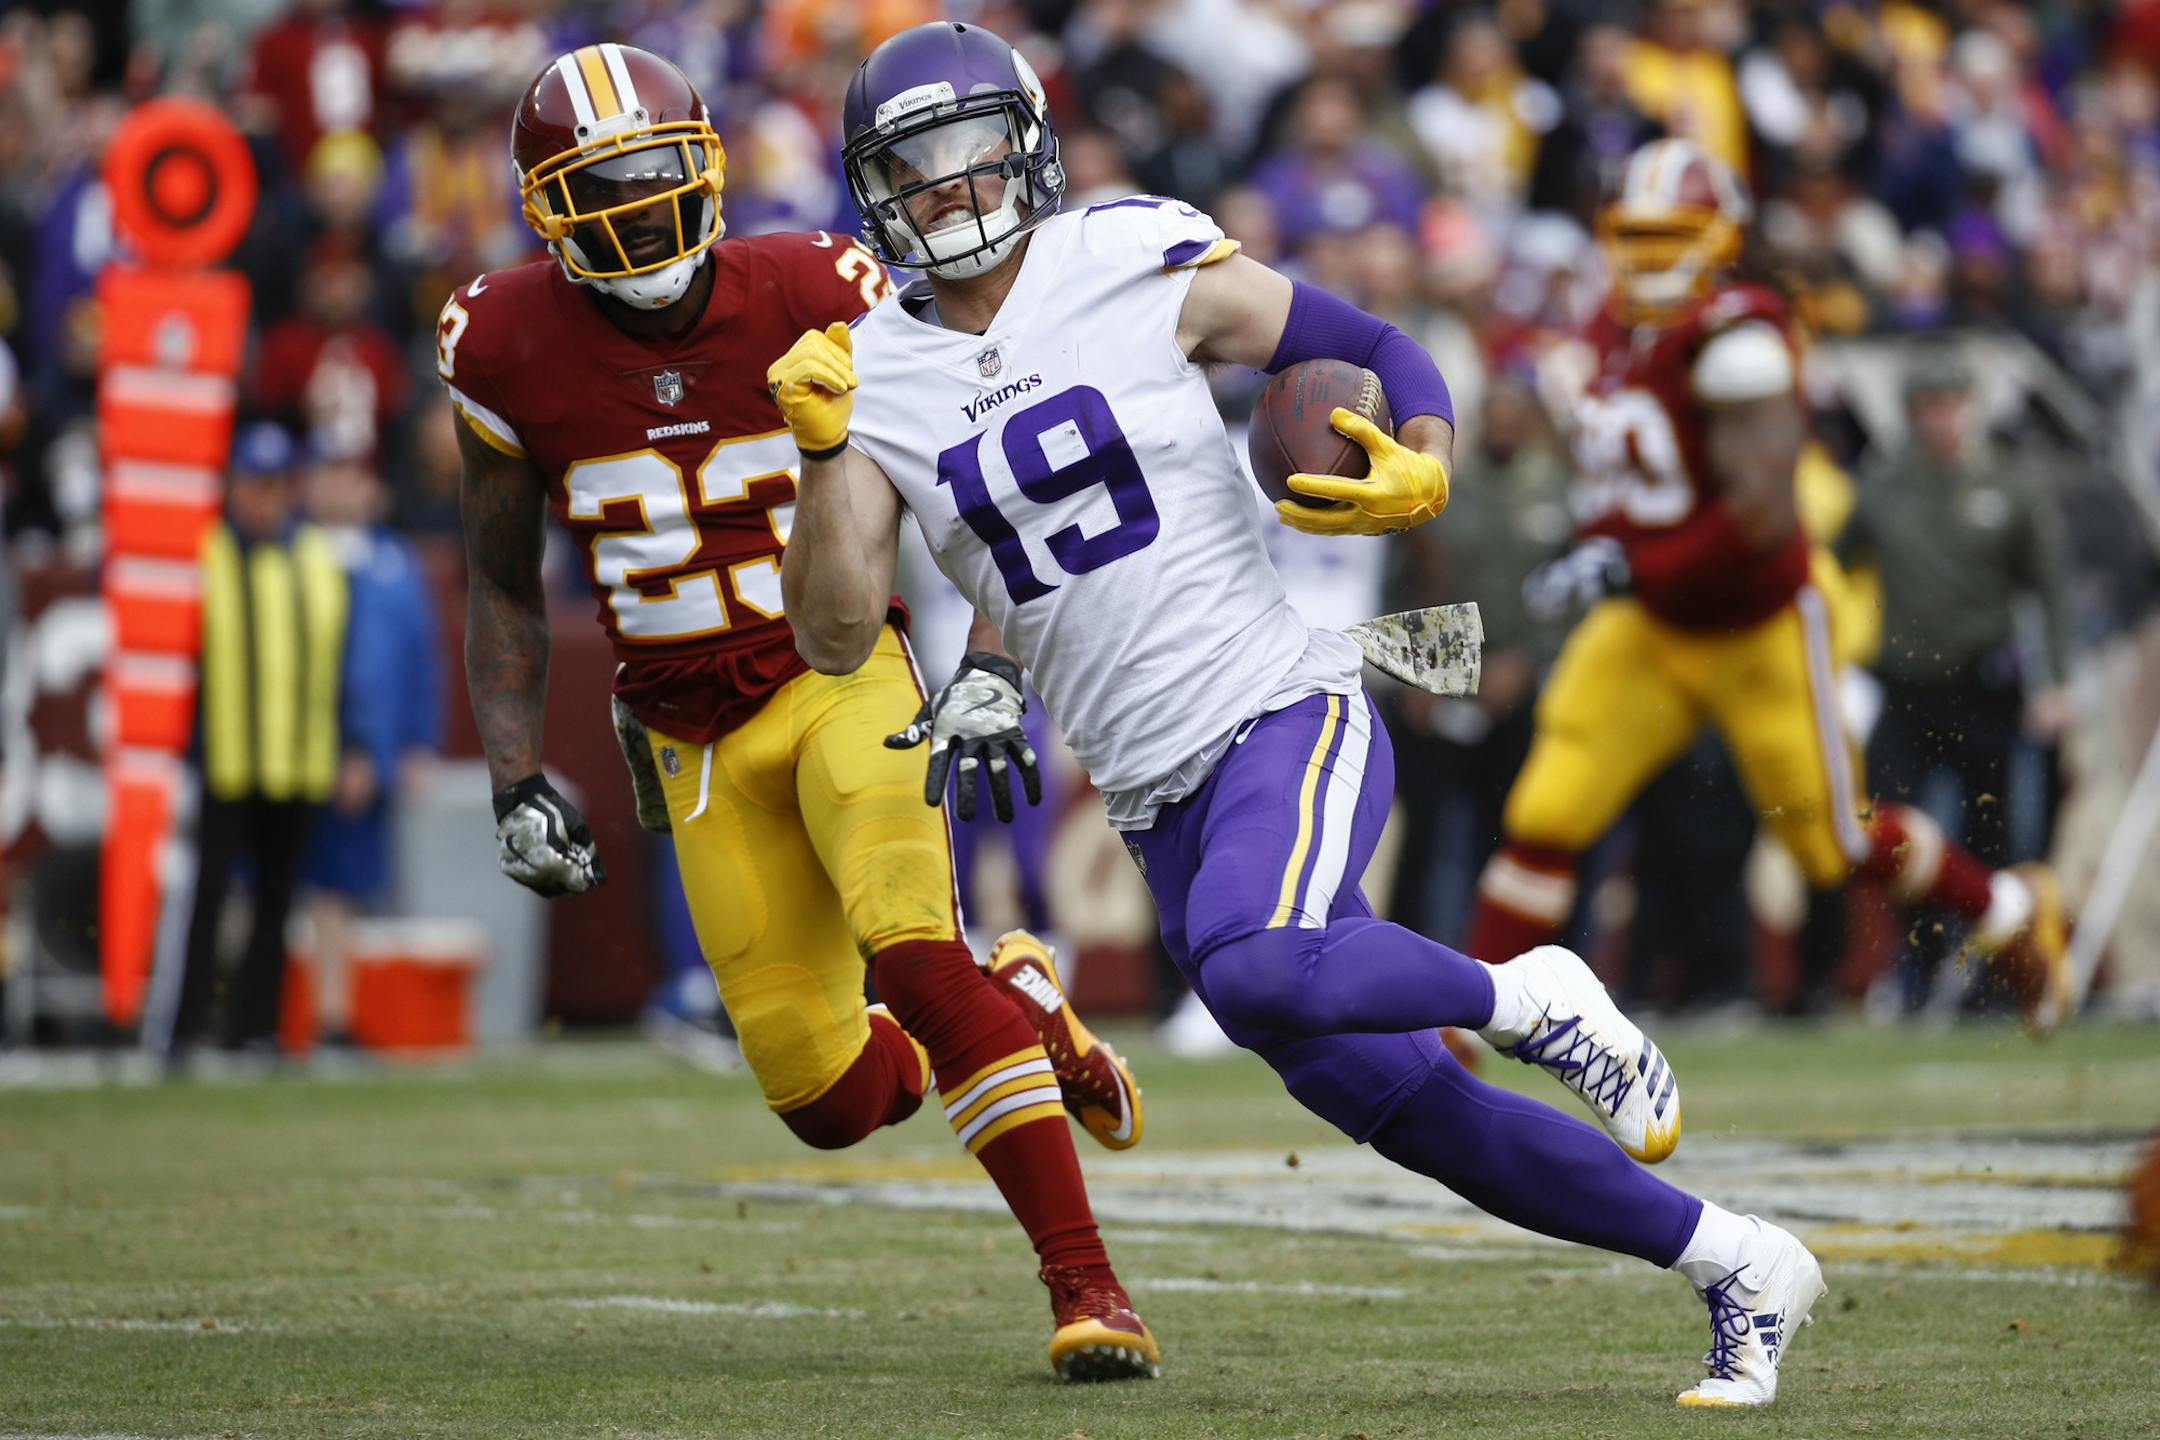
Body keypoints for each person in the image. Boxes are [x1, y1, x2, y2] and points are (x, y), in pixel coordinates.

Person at [774, 21, 1824, 1408]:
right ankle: (1742, 1265)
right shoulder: (870, 373)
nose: (947, 188)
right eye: (912, 167)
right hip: (1155, 795)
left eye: (970, 152)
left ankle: (1532, 994)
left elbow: (1373, 340)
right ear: (872, 188)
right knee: (1409, 1113)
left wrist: (1426, 464)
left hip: (1282, 706)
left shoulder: (1127, 255)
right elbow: (837, 629)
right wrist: (819, 455)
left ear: (1025, 144)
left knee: (1257, 965)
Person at [436, 43, 1156, 1382]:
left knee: (911, 958)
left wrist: (991, 654)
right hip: (687, 734)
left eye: (658, 180)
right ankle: (1021, 1002)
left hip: (836, 679)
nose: (641, 213)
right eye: (605, 190)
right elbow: (498, 578)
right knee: (825, 1101)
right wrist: (515, 773)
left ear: (707, 169)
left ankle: (1090, 1290)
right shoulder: (503, 337)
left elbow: (988, 469)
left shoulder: (818, 286)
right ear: (545, 208)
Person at [1466, 138, 2074, 1035]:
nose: (1648, 254)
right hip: (1650, 624)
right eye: (1633, 233)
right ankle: (1456, 1041)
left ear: (1721, 237)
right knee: (1546, 810)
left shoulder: (1742, 337)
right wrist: (1604, 540)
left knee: (1834, 842)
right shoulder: (1605, 329)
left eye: (1671, 233)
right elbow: (1627, 475)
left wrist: (1626, 560)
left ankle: (2009, 910)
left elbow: (1756, 521)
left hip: (1757, 626)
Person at [1841, 349, 2076, 1012]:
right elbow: (1830, 565)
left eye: (1950, 405)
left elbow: (2050, 587)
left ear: (1969, 409)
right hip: (1905, 682)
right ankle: (1916, 969)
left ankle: (1994, 979)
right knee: (1892, 828)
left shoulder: (2008, 486)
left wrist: (2056, 680)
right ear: (1913, 414)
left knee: (1991, 831)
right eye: (1927, 407)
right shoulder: (1883, 487)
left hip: (1981, 684)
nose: (1940, 419)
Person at [147, 422, 349, 1067]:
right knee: (207, 901)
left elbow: (342, 663)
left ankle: (255, 1029)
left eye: (272, 485)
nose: (262, 498)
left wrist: (354, 743)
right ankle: (184, 1029)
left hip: (297, 757)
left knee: (276, 904)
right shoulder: (205, 554)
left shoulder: (316, 556)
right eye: (252, 484)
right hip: (226, 757)